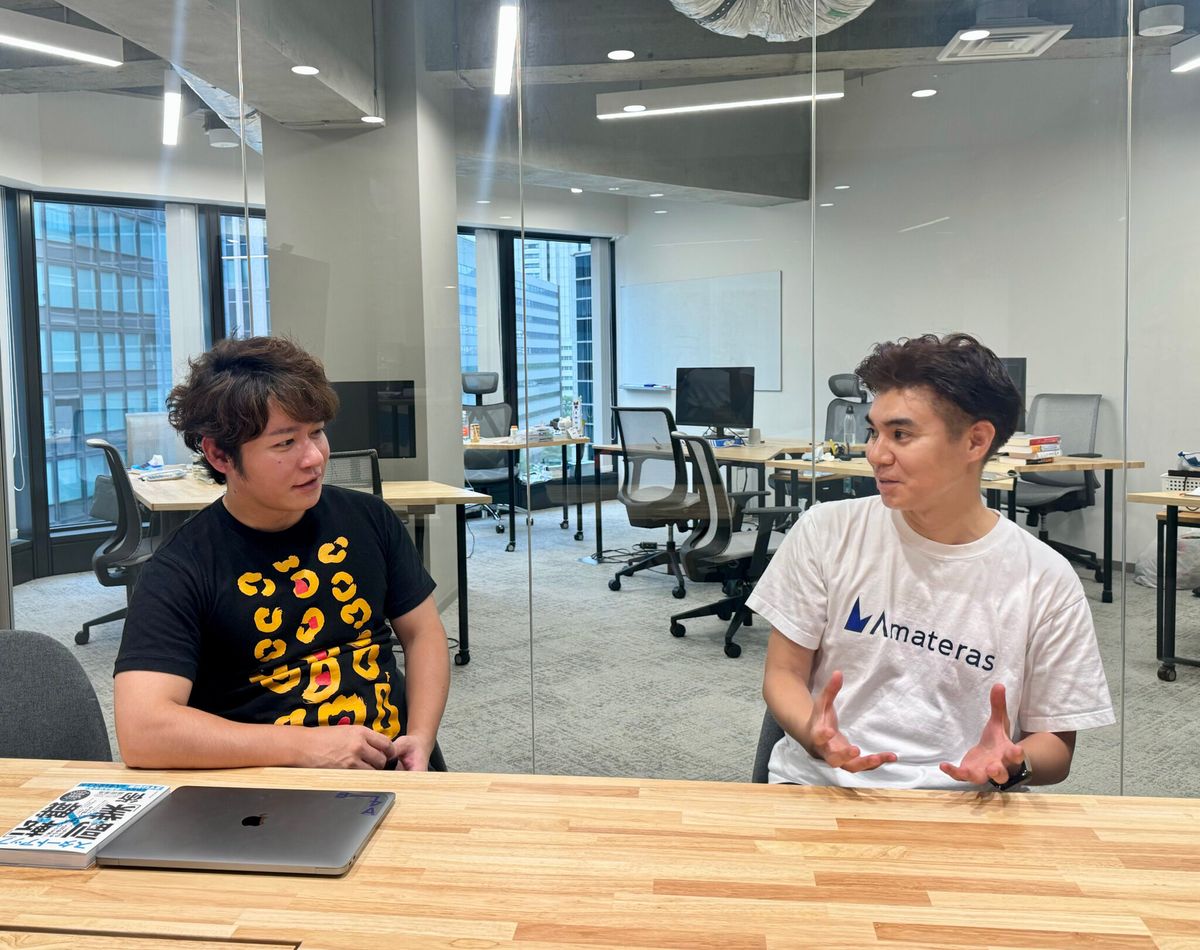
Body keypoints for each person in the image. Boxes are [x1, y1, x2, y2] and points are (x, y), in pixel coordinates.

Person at [752, 333, 1114, 790]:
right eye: (874, 432)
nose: (875, 454)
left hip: (964, 805)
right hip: (821, 788)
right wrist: (813, 734)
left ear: (975, 441)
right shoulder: (826, 531)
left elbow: (1056, 747)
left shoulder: (1045, 579)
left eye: (900, 435)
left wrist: (1013, 762)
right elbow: (783, 673)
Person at [114, 336, 450, 771]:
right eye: (285, 443)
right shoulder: (181, 569)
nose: (314, 458)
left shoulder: (369, 519)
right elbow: (142, 732)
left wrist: (420, 737)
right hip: (277, 784)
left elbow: (423, 633)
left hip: (394, 770)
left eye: (317, 432)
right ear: (220, 455)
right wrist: (305, 748)